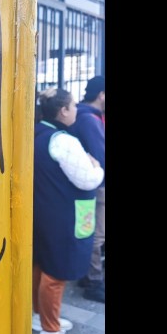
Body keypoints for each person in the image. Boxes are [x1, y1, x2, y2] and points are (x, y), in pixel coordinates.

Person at [32, 88, 104, 334]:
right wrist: (96, 167)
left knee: (42, 266)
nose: (76, 110)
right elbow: (88, 179)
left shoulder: (38, 133)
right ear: (63, 111)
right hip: (64, 217)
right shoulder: (64, 141)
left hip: (45, 213)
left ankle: (39, 316)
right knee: (56, 274)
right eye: (73, 106)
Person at [70, 76, 105, 303]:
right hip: (97, 185)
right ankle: (93, 281)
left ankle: (86, 274)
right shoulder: (89, 119)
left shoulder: (83, 115)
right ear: (101, 95)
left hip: (88, 184)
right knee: (96, 234)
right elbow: (101, 154)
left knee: (89, 230)